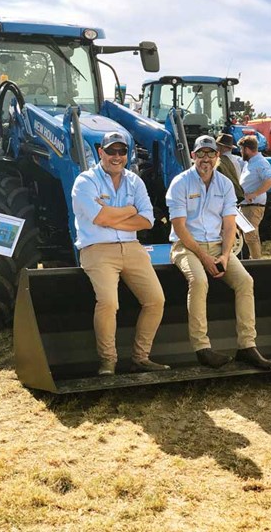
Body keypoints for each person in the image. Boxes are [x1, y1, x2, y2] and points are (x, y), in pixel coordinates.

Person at [165, 135, 271, 370]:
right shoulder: (180, 183)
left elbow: (229, 224)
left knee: (245, 281)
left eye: (211, 154)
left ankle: (247, 346)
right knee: (199, 280)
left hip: (217, 246)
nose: (206, 159)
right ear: (193, 156)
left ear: (217, 157)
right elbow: (179, 227)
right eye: (201, 154)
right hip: (185, 246)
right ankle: (202, 348)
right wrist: (204, 257)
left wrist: (225, 256)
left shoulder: (225, 185)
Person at [71, 131, 169, 376]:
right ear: (100, 152)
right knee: (108, 302)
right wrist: (130, 209)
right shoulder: (85, 181)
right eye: (111, 151)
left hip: (132, 248)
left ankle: (141, 357)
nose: (117, 156)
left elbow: (147, 221)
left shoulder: (135, 181)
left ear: (127, 154)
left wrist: (111, 217)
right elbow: (99, 217)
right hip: (97, 250)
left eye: (121, 151)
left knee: (156, 300)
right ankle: (108, 361)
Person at [237, 135, 271, 259]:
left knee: (251, 236)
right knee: (248, 237)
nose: (240, 152)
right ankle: (253, 261)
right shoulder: (251, 163)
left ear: (247, 149)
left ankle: (257, 264)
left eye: (241, 149)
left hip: (253, 206)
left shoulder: (260, 162)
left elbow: (270, 181)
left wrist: (254, 194)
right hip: (247, 206)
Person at [214, 133, 245, 204]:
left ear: (222, 147)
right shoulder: (237, 160)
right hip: (235, 197)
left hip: (224, 198)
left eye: (217, 146)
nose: (216, 148)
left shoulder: (219, 162)